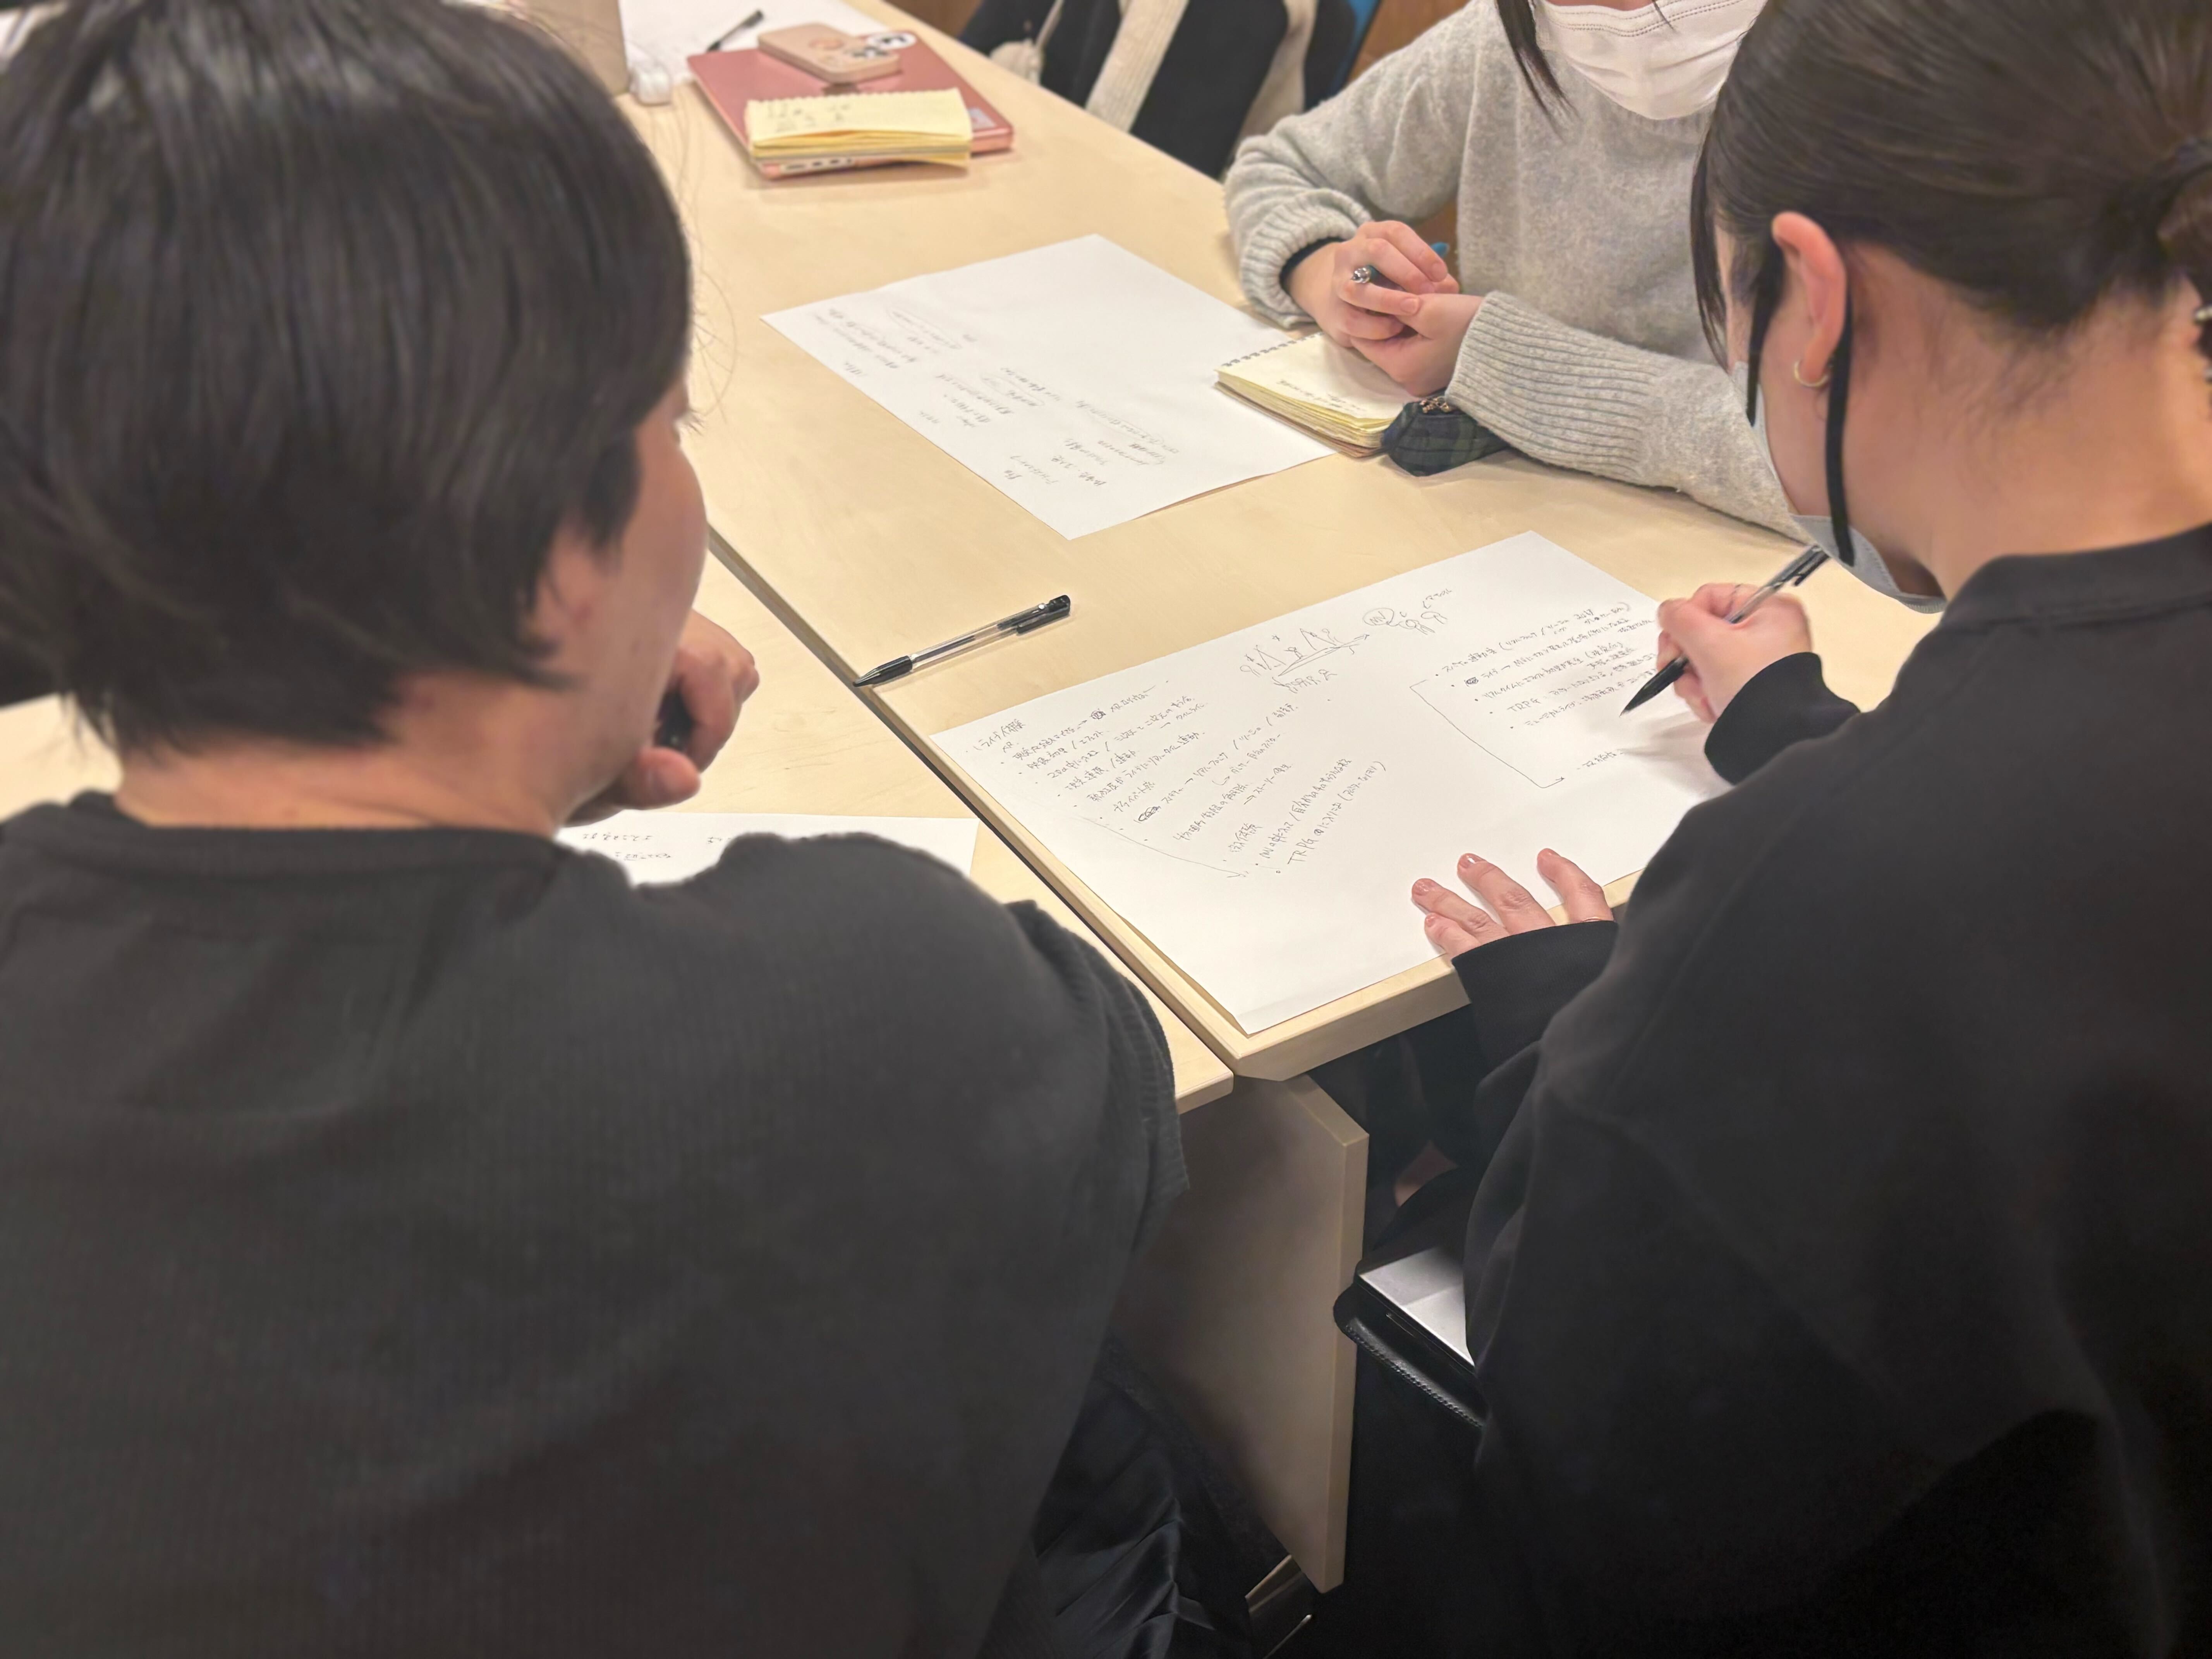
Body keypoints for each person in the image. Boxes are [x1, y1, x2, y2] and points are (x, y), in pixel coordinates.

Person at [0, 2, 1186, 1654]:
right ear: (563, 540)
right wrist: (539, 750)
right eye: (670, 425)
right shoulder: (900, 1004)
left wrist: (518, 728)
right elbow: (1120, 1101)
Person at [1352, 0, 2212, 1651]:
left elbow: (1601, 1434)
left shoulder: (1824, 900)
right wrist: (1800, 726)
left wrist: (1559, 1022)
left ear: (1811, 302)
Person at [1224, 0, 1793, 532]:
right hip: (1485, 519)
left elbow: (1830, 471)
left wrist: (1499, 363)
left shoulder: (1834, 92)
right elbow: (1280, 167)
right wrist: (1334, 281)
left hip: (1709, 556)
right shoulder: (1507, 36)